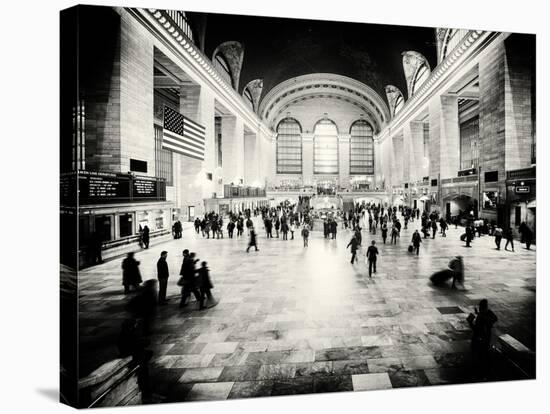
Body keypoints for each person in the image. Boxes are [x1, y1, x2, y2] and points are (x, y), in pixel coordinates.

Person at [467, 299, 498, 380]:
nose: (479, 308)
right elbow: (494, 319)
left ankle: (482, 373)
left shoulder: (484, 315)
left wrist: (470, 322)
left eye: (480, 307)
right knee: (484, 355)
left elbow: (477, 330)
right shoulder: (486, 313)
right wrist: (479, 314)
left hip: (480, 339)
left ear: (482, 307)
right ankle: (485, 371)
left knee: (481, 356)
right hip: (484, 338)